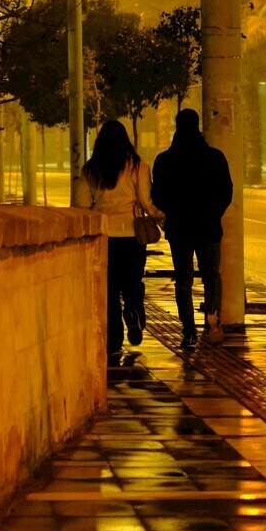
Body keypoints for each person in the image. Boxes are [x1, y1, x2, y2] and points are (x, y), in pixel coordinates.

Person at [78, 120, 164, 359]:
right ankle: (134, 310)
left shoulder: (90, 170)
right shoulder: (138, 166)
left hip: (104, 235)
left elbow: (82, 206)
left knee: (110, 289)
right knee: (133, 282)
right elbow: (147, 202)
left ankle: (114, 341)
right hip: (132, 235)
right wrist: (160, 217)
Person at [151, 108, 233, 349]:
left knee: (183, 280)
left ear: (177, 127)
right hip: (208, 227)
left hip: (180, 229)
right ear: (198, 126)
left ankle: (188, 332)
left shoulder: (165, 160)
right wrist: (214, 213)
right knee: (211, 276)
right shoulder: (215, 157)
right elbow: (225, 191)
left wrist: (171, 214)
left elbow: (158, 194)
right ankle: (213, 322)